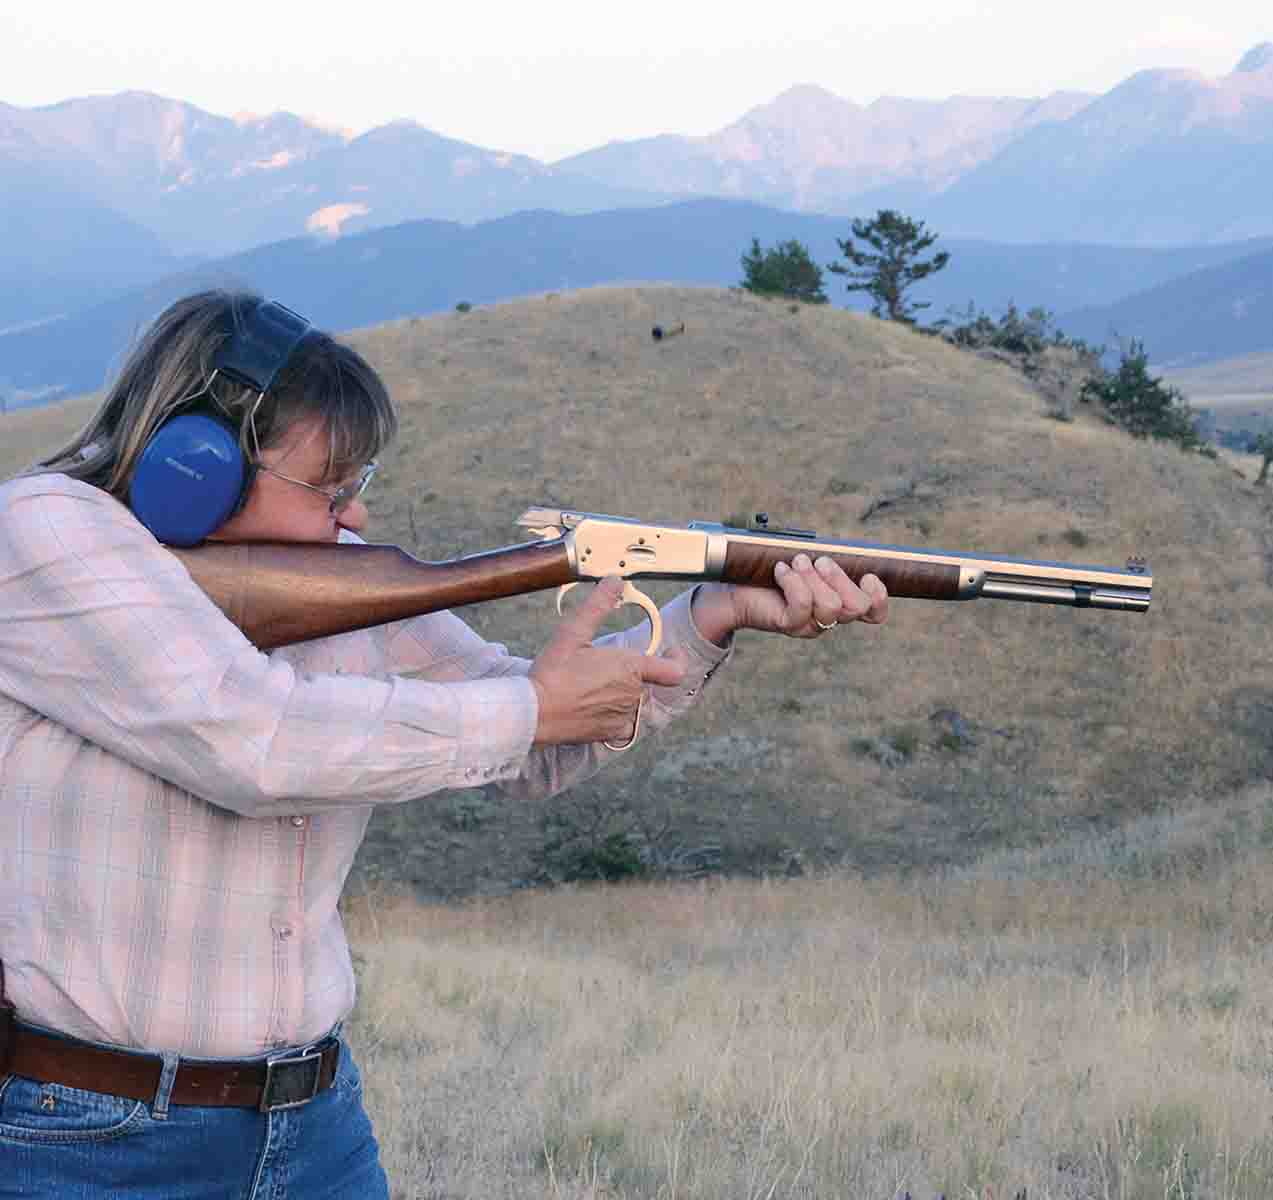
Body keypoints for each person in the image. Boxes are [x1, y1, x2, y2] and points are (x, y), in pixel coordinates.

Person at [0, 289, 887, 1198]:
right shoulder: (41, 531)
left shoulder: (322, 585)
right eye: (330, 490)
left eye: (359, 488)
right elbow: (254, 741)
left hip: (312, 1126)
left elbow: (534, 738)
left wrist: (712, 613)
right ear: (197, 466)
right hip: (92, 1138)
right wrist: (533, 711)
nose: (355, 520)